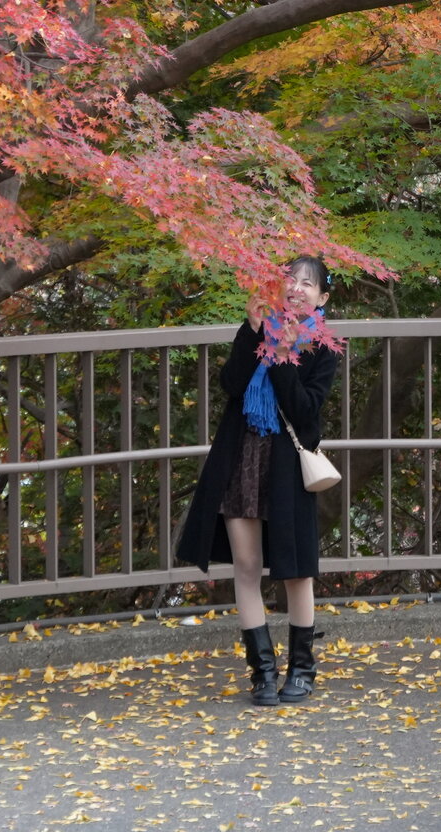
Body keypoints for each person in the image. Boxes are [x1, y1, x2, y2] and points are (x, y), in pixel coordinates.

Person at [174, 257, 340, 706]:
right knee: (246, 567)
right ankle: (262, 672)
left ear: (322, 298)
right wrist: (252, 333)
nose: (297, 289)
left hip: (287, 467)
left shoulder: (324, 347)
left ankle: (302, 670)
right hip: (242, 458)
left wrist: (283, 358)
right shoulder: (258, 329)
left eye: (308, 284)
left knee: (296, 570)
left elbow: (305, 413)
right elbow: (230, 384)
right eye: (291, 281)